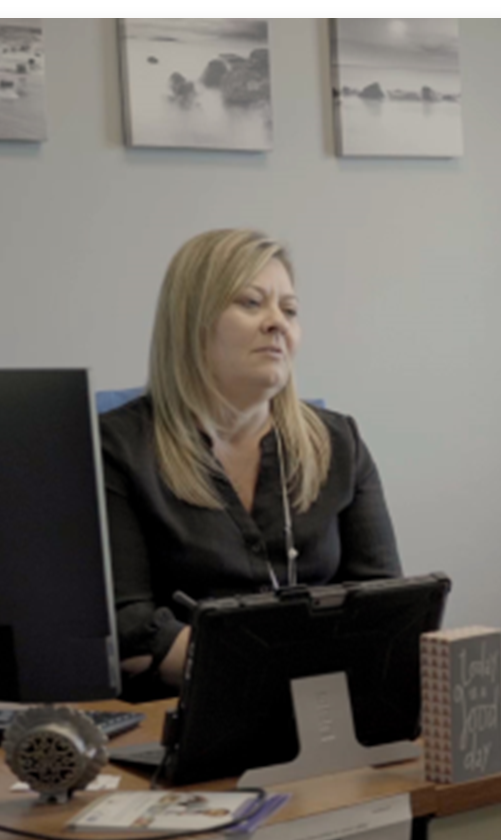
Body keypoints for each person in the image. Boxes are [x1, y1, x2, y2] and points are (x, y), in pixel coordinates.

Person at [100, 228, 402, 701]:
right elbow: (129, 628)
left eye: (290, 309)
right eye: (250, 303)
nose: (276, 322)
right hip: (184, 716)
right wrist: (280, 674)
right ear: (192, 322)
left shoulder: (340, 441)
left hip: (332, 711)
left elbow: (385, 603)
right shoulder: (117, 448)